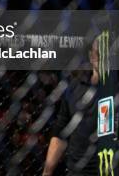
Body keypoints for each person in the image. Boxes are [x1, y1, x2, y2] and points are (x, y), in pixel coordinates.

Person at [42, 39, 99, 176]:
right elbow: (60, 132)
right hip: (78, 171)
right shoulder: (74, 87)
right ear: (91, 56)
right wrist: (47, 172)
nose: (101, 58)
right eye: (98, 53)